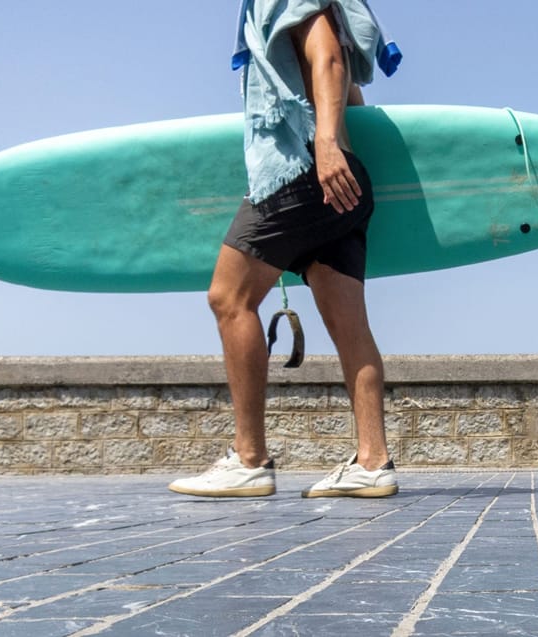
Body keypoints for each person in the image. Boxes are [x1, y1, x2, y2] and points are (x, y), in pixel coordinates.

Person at [169, 0, 397, 499]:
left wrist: (325, 147)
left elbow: (329, 59)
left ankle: (249, 459)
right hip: (344, 183)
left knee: (229, 298)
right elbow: (347, 88)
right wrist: (341, 153)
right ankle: (372, 462)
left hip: (301, 176)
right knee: (350, 326)